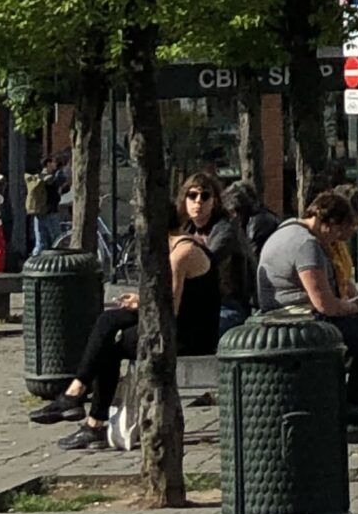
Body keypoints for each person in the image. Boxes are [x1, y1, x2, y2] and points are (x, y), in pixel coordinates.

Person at [32, 173, 240, 449]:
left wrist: (142, 304)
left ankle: (85, 410)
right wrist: (141, 300)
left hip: (190, 335)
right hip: (179, 324)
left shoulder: (181, 253)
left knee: (110, 343)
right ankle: (80, 401)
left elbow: (169, 308)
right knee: (108, 322)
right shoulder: (175, 247)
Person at [256, 190, 358, 435]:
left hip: (289, 317)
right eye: (339, 234)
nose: (337, 242)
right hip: (299, 322)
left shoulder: (287, 229)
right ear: (329, 224)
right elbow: (326, 305)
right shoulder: (306, 245)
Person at [224, 181, 279, 267]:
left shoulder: (259, 222)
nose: (232, 217)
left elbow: (251, 258)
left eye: (233, 211)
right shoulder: (261, 217)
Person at [25, 157, 61, 256]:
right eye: (53, 162)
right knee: (57, 241)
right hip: (50, 213)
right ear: (48, 164)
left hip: (38, 212)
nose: (55, 164)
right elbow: (55, 197)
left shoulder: (37, 178)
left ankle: (34, 260)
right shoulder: (50, 179)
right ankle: (56, 261)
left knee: (40, 242)